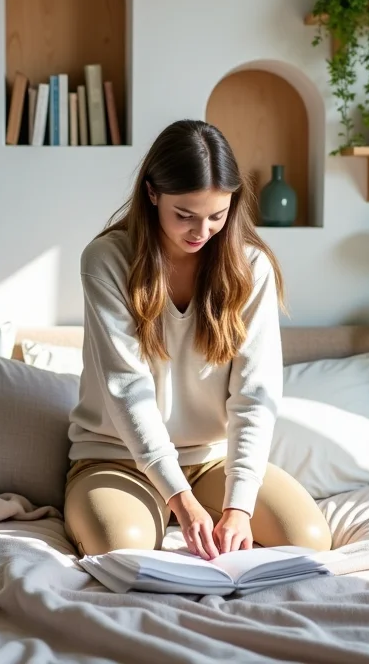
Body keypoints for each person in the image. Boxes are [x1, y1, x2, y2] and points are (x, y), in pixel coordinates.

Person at [64, 119, 332, 560]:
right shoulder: (107, 259)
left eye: (217, 216)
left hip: (212, 460)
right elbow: (128, 392)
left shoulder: (251, 266)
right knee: (124, 551)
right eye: (184, 215)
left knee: (309, 541)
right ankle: (137, 506)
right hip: (117, 456)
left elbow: (255, 395)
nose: (200, 231)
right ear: (153, 194)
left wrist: (239, 505)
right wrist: (182, 503)